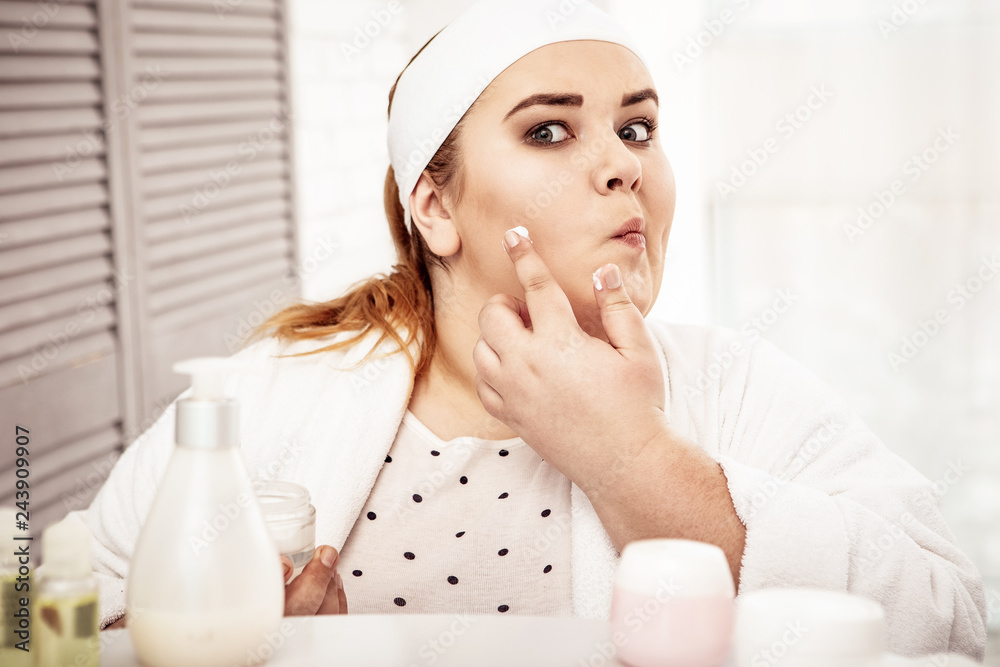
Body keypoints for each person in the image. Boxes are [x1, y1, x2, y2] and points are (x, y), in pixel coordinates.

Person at [69, 0, 986, 660]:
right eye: (550, 131)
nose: (623, 166)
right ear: (435, 207)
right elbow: (44, 610)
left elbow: (948, 625)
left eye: (638, 128)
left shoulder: (738, 388)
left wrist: (631, 458)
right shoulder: (270, 394)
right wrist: (202, 642)